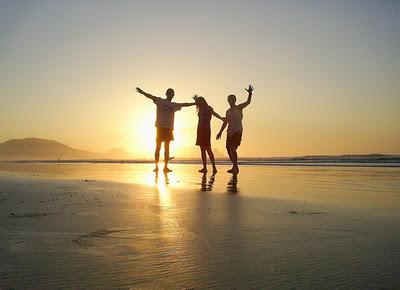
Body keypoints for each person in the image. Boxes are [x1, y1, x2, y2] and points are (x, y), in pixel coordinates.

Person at [136, 87, 195, 172]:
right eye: (169, 93)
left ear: (173, 95)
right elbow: (151, 96)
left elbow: (184, 104)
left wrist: (194, 103)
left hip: (169, 128)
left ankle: (165, 167)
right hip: (160, 127)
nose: (171, 95)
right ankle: (156, 167)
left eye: (172, 93)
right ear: (166, 94)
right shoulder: (160, 101)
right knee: (158, 148)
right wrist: (143, 92)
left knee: (167, 149)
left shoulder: (174, 105)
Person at [216, 85, 254, 174]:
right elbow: (225, 122)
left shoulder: (239, 107)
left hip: (237, 131)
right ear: (228, 100)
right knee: (228, 150)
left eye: (232, 99)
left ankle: (235, 167)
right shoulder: (228, 111)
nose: (230, 101)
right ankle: (234, 166)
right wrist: (220, 132)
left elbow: (248, 102)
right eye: (229, 99)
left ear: (235, 100)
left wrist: (250, 94)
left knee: (233, 148)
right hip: (229, 132)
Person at [193, 94, 225, 174]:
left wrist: (221, 118)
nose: (199, 103)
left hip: (206, 130)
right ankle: (204, 167)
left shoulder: (208, 108)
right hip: (199, 130)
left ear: (204, 101)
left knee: (208, 148)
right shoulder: (200, 109)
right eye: (198, 102)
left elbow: (214, 114)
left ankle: (214, 167)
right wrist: (195, 100)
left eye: (201, 101)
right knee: (202, 150)